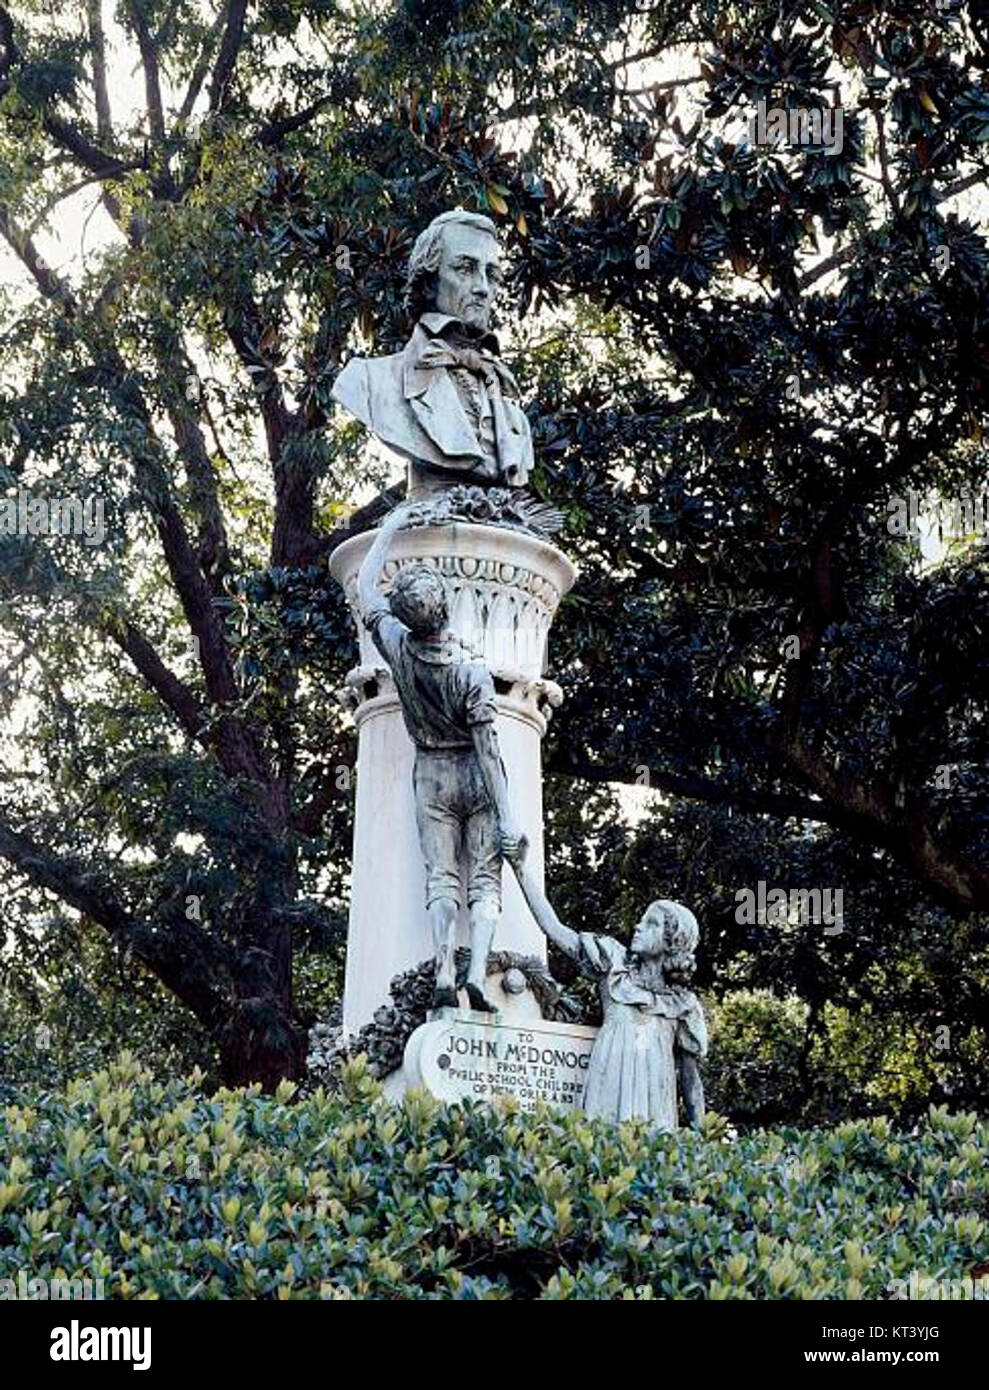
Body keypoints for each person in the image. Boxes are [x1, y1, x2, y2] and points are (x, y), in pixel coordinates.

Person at [356, 503, 526, 1011]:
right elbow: (490, 753)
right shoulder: (472, 673)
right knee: (485, 878)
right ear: (447, 604)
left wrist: (389, 527)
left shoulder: (397, 647)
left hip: (430, 771)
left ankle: (444, 963)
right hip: (473, 773)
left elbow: (366, 589)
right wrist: (509, 819)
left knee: (441, 876)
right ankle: (476, 971)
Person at [332, 209, 534, 497]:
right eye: (465, 268)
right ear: (429, 279)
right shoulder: (370, 381)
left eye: (491, 274)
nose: (482, 288)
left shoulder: (509, 407)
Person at [509, 854, 707, 1130]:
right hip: (608, 1090)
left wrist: (703, 1137)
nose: (638, 926)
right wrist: (520, 869)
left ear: (672, 941)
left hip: (655, 1103)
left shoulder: (683, 1004)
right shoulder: (613, 963)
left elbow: (690, 1080)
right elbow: (554, 929)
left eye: (651, 923)